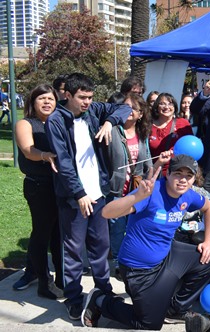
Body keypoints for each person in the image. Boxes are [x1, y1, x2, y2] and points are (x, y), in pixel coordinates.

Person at [83, 155, 210, 329]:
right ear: (167, 174)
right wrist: (136, 196)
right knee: (149, 323)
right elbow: (107, 213)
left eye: (188, 176)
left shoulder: (189, 195)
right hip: (138, 271)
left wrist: (208, 241)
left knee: (208, 260)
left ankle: (175, 309)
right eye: (178, 173)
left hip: (165, 258)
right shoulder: (150, 192)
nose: (183, 180)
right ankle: (100, 301)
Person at [45, 73, 132, 319]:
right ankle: (73, 298)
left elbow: (125, 108)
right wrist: (79, 193)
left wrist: (109, 122)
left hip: (98, 194)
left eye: (90, 97)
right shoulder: (56, 121)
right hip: (74, 198)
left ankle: (102, 290)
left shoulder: (94, 111)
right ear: (67, 95)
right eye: (82, 97)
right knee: (73, 250)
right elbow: (63, 163)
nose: (86, 102)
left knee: (101, 246)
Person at [102, 93, 169, 278]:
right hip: (115, 188)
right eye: (125, 107)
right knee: (117, 226)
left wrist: (158, 165)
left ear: (141, 114)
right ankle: (117, 261)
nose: (129, 111)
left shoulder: (141, 134)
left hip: (135, 188)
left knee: (131, 225)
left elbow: (147, 162)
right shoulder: (113, 130)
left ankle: (128, 258)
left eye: (134, 108)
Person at [13, 84, 63, 299]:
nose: (47, 102)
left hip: (60, 185)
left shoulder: (59, 121)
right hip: (39, 186)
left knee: (59, 235)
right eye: (41, 98)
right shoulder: (26, 123)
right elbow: (27, 150)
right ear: (32, 102)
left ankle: (61, 279)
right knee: (41, 233)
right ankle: (43, 280)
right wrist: (46, 155)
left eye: (50, 98)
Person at [149, 93, 193, 175]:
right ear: (156, 107)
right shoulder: (148, 126)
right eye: (162, 104)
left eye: (170, 103)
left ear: (175, 106)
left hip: (177, 174)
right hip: (154, 173)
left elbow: (190, 149)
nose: (166, 107)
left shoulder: (183, 123)